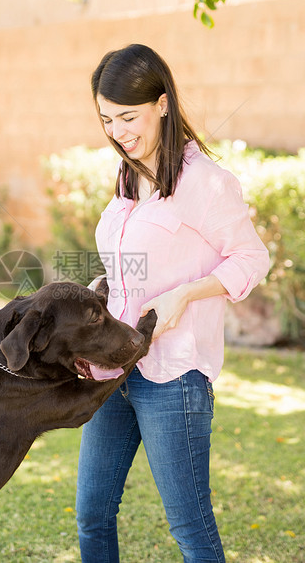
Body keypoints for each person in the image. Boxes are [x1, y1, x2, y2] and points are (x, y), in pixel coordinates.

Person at [75, 44, 270, 563]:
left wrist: (187, 293)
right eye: (107, 119)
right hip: (113, 370)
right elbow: (135, 265)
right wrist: (102, 290)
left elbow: (251, 258)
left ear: (162, 104)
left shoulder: (208, 182)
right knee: (92, 514)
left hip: (174, 376)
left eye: (128, 116)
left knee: (190, 530)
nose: (118, 131)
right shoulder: (126, 178)